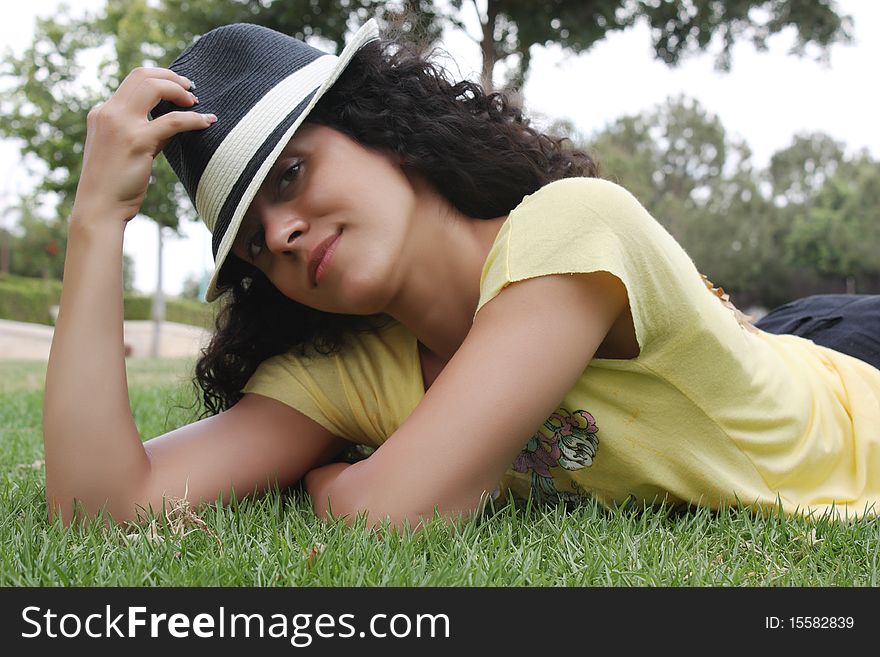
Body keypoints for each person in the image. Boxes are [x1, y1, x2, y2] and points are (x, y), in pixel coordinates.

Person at [44, 19, 880, 529]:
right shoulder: (353, 369)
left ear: (381, 131)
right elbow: (101, 508)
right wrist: (94, 223)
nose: (284, 233)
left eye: (290, 175)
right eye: (255, 244)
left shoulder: (570, 222)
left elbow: (395, 514)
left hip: (850, 369)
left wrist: (334, 483)